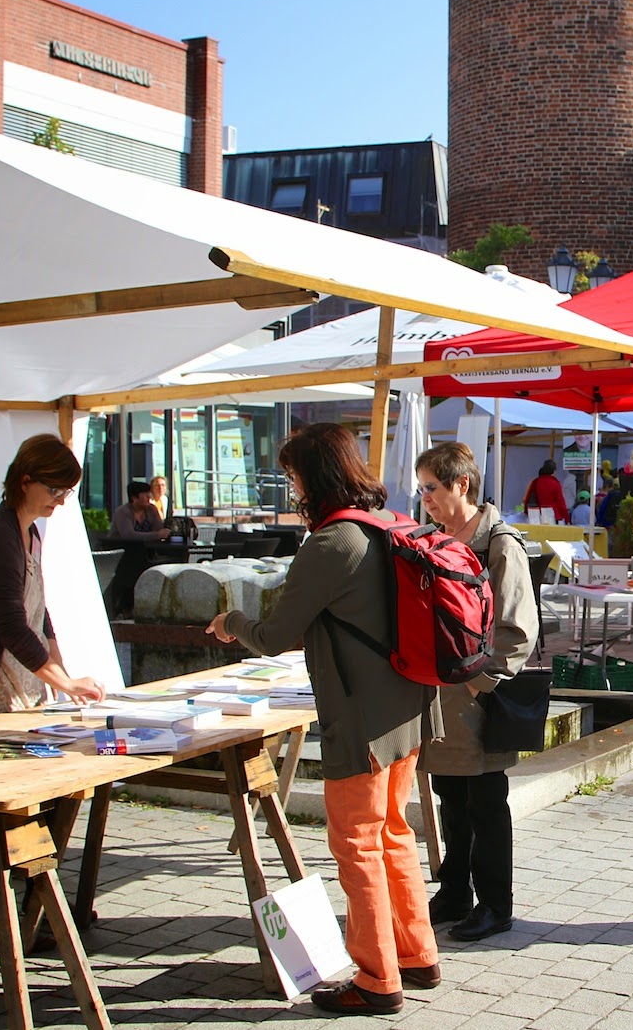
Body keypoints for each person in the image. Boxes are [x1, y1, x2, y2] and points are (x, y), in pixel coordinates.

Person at [206, 423, 442, 1015]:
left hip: (362, 722)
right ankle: (416, 954)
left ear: (313, 477)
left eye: (293, 477)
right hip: (411, 708)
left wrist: (231, 622)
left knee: (357, 844)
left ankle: (375, 980)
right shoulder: (392, 526)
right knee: (393, 832)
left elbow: (275, 634)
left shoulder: (332, 543)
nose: (291, 488)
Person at [0, 433, 106, 951]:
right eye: (56, 491)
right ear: (26, 480)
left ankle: (29, 910)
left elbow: (40, 613)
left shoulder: (29, 533)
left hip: (22, 692)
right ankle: (5, 921)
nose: (61, 502)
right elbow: (12, 625)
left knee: (36, 803)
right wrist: (62, 680)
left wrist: (58, 668)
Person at [414, 442, 538, 943]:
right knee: (450, 798)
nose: (425, 498)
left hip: (478, 698)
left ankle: (495, 905)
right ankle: (454, 891)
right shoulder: (434, 537)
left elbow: (518, 630)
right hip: (439, 694)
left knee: (486, 803)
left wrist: (478, 684)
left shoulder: (499, 543)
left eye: (433, 488)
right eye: (421, 488)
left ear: (461, 484)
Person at [522, 459, 569, 524]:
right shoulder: (556, 484)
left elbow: (528, 497)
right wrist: (566, 518)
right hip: (553, 514)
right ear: (554, 471)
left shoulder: (536, 482)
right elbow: (561, 502)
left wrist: (526, 511)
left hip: (537, 514)